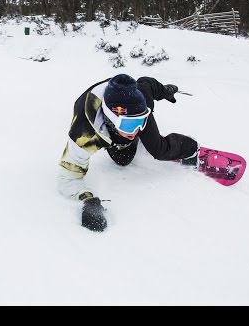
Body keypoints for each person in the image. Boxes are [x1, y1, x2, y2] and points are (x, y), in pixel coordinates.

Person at [57, 74, 199, 232]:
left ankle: (192, 148)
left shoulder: (140, 98)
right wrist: (88, 201)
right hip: (109, 126)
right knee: (123, 160)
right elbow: (68, 178)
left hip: (128, 114)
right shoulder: (85, 135)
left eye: (141, 122)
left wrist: (164, 91)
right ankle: (117, 138)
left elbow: (147, 84)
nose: (137, 130)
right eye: (130, 124)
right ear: (110, 119)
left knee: (159, 149)